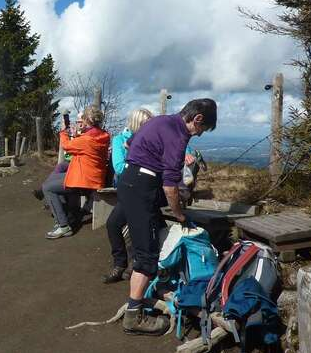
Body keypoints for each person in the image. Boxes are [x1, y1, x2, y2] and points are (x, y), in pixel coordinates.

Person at [118, 98, 217, 336]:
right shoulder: (178, 133)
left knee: (153, 237)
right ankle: (134, 316)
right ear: (198, 119)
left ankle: (150, 290)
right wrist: (180, 214)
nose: (199, 135)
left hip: (130, 181)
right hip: (143, 186)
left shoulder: (161, 121)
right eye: (202, 129)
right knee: (147, 255)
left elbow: (130, 144)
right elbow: (170, 186)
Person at [42, 106, 110, 239]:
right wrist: (77, 134)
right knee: (54, 178)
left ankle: (63, 226)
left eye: (83, 119)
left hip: (85, 180)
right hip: (91, 176)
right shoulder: (102, 135)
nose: (81, 122)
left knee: (48, 188)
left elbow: (66, 146)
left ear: (88, 121)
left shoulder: (86, 140)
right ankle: (67, 214)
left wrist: (63, 131)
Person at [102, 108, 154, 283]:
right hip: (128, 190)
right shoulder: (119, 140)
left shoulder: (151, 140)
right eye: (145, 125)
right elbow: (118, 166)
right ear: (136, 124)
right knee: (112, 224)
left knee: (135, 227)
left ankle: (135, 264)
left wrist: (188, 154)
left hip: (145, 191)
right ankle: (120, 263)